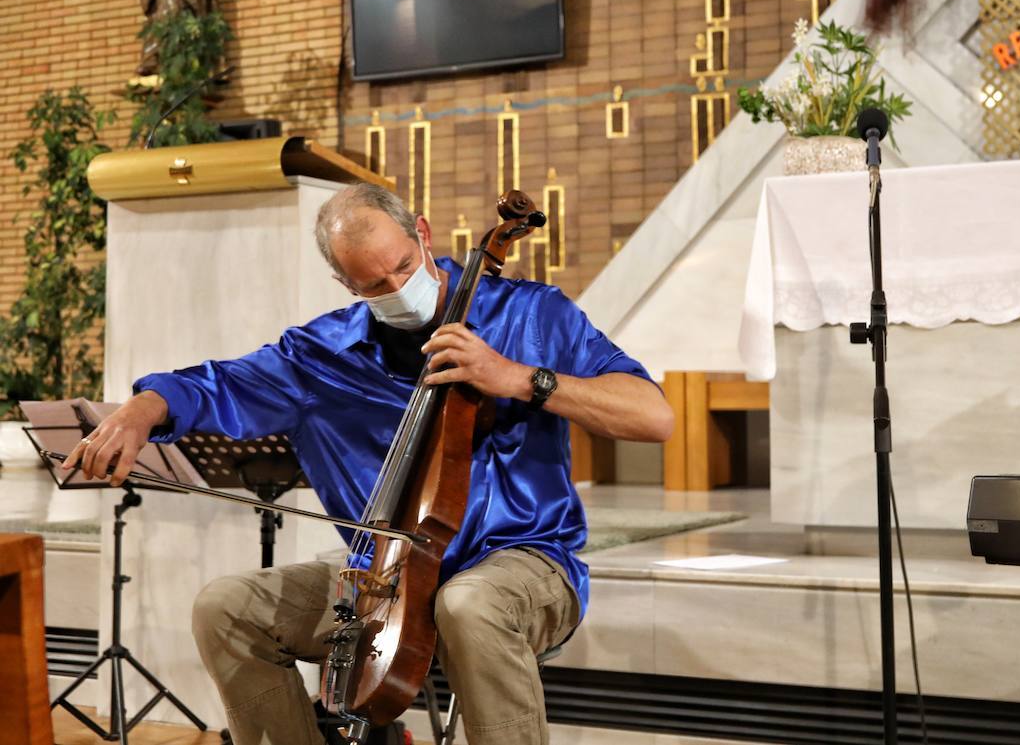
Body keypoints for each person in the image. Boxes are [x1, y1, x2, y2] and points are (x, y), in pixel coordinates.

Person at [63, 183, 674, 745]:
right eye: (374, 284)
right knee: (225, 607)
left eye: (404, 267)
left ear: (424, 235)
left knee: (468, 603)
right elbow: (220, 383)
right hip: (389, 580)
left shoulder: (532, 316)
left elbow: (653, 416)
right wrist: (146, 406)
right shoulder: (321, 357)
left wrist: (516, 378)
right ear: (346, 285)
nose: (395, 287)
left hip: (527, 563)